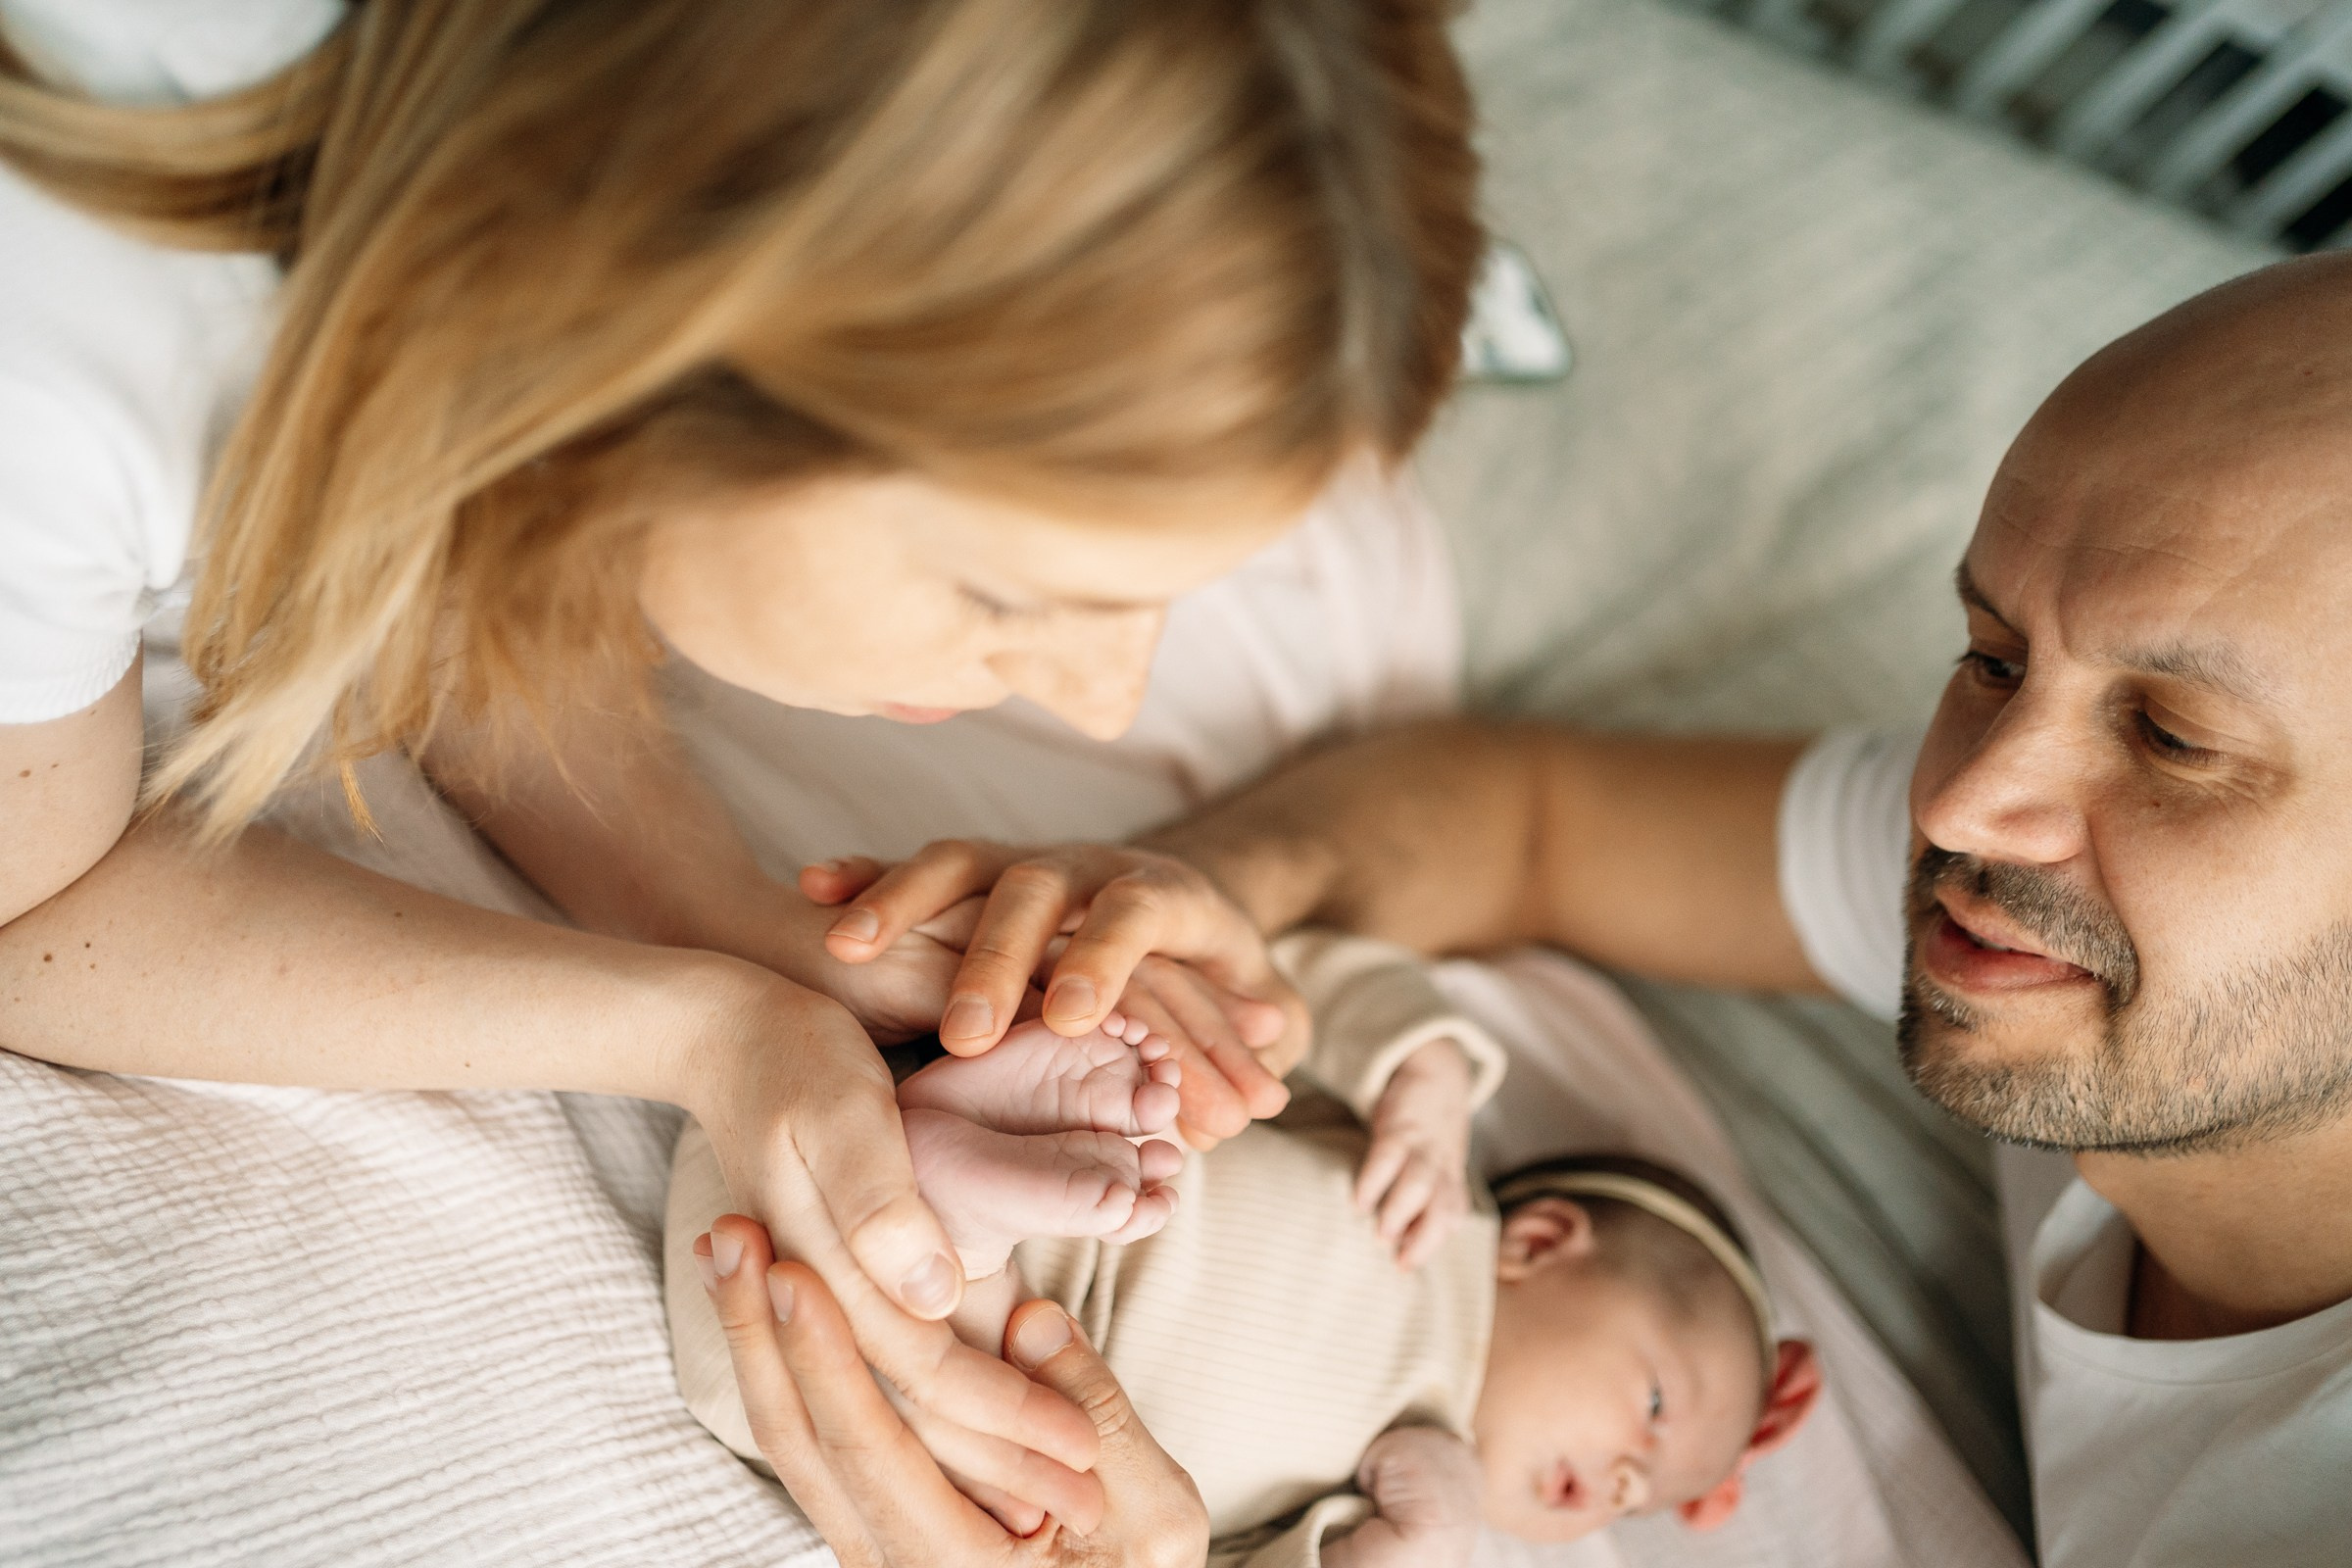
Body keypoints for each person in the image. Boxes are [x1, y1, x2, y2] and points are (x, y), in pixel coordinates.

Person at [0, 0, 1479, 1548]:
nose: (1104, 706)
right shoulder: (58, 350)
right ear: (679, 331)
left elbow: (491, 519)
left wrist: (726, 928)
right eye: (1006, 596)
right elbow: (30, 914)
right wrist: (688, 1025)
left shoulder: (516, 171)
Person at [814, 253, 2352, 1564]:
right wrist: (1206, 906)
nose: (1955, 810)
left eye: (2175, 742)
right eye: (1992, 655)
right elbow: (1528, 815)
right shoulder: (2081, 918)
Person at [669, 933, 1820, 1566]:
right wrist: (1425, 1072)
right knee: (1150, 1101)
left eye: (1642, 1495)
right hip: (806, 1114)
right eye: (1657, 1405)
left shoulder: (1388, 1487)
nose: (1624, 1477)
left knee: (978, 1426)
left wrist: (1405, 1548)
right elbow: (1294, 987)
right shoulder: (1427, 1187)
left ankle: (964, 1192)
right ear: (1546, 1239)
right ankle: (984, 1138)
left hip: (848, 1371)